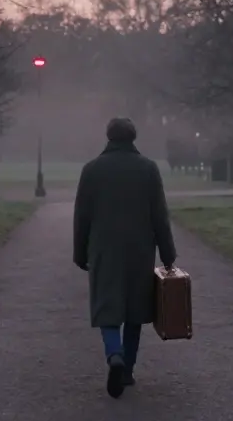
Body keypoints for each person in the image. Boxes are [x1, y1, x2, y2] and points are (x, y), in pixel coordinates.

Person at [73, 116, 177, 398]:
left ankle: (114, 354)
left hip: (104, 248)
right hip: (140, 248)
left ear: (109, 137)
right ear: (133, 137)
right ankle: (128, 369)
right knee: (135, 309)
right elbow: (159, 216)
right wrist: (168, 254)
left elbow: (82, 217)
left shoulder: (91, 170)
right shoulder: (148, 169)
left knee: (107, 306)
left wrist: (80, 252)